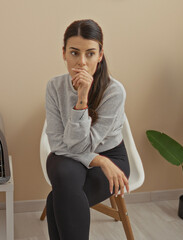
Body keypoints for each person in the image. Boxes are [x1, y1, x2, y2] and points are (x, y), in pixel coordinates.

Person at [44, 19, 131, 240]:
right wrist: (81, 99)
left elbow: (83, 144)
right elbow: (59, 143)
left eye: (90, 54)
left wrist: (83, 96)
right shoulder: (54, 87)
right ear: (63, 53)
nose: (81, 62)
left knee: (56, 201)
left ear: (100, 55)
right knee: (64, 174)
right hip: (72, 155)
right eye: (74, 53)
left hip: (113, 158)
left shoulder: (114, 91)